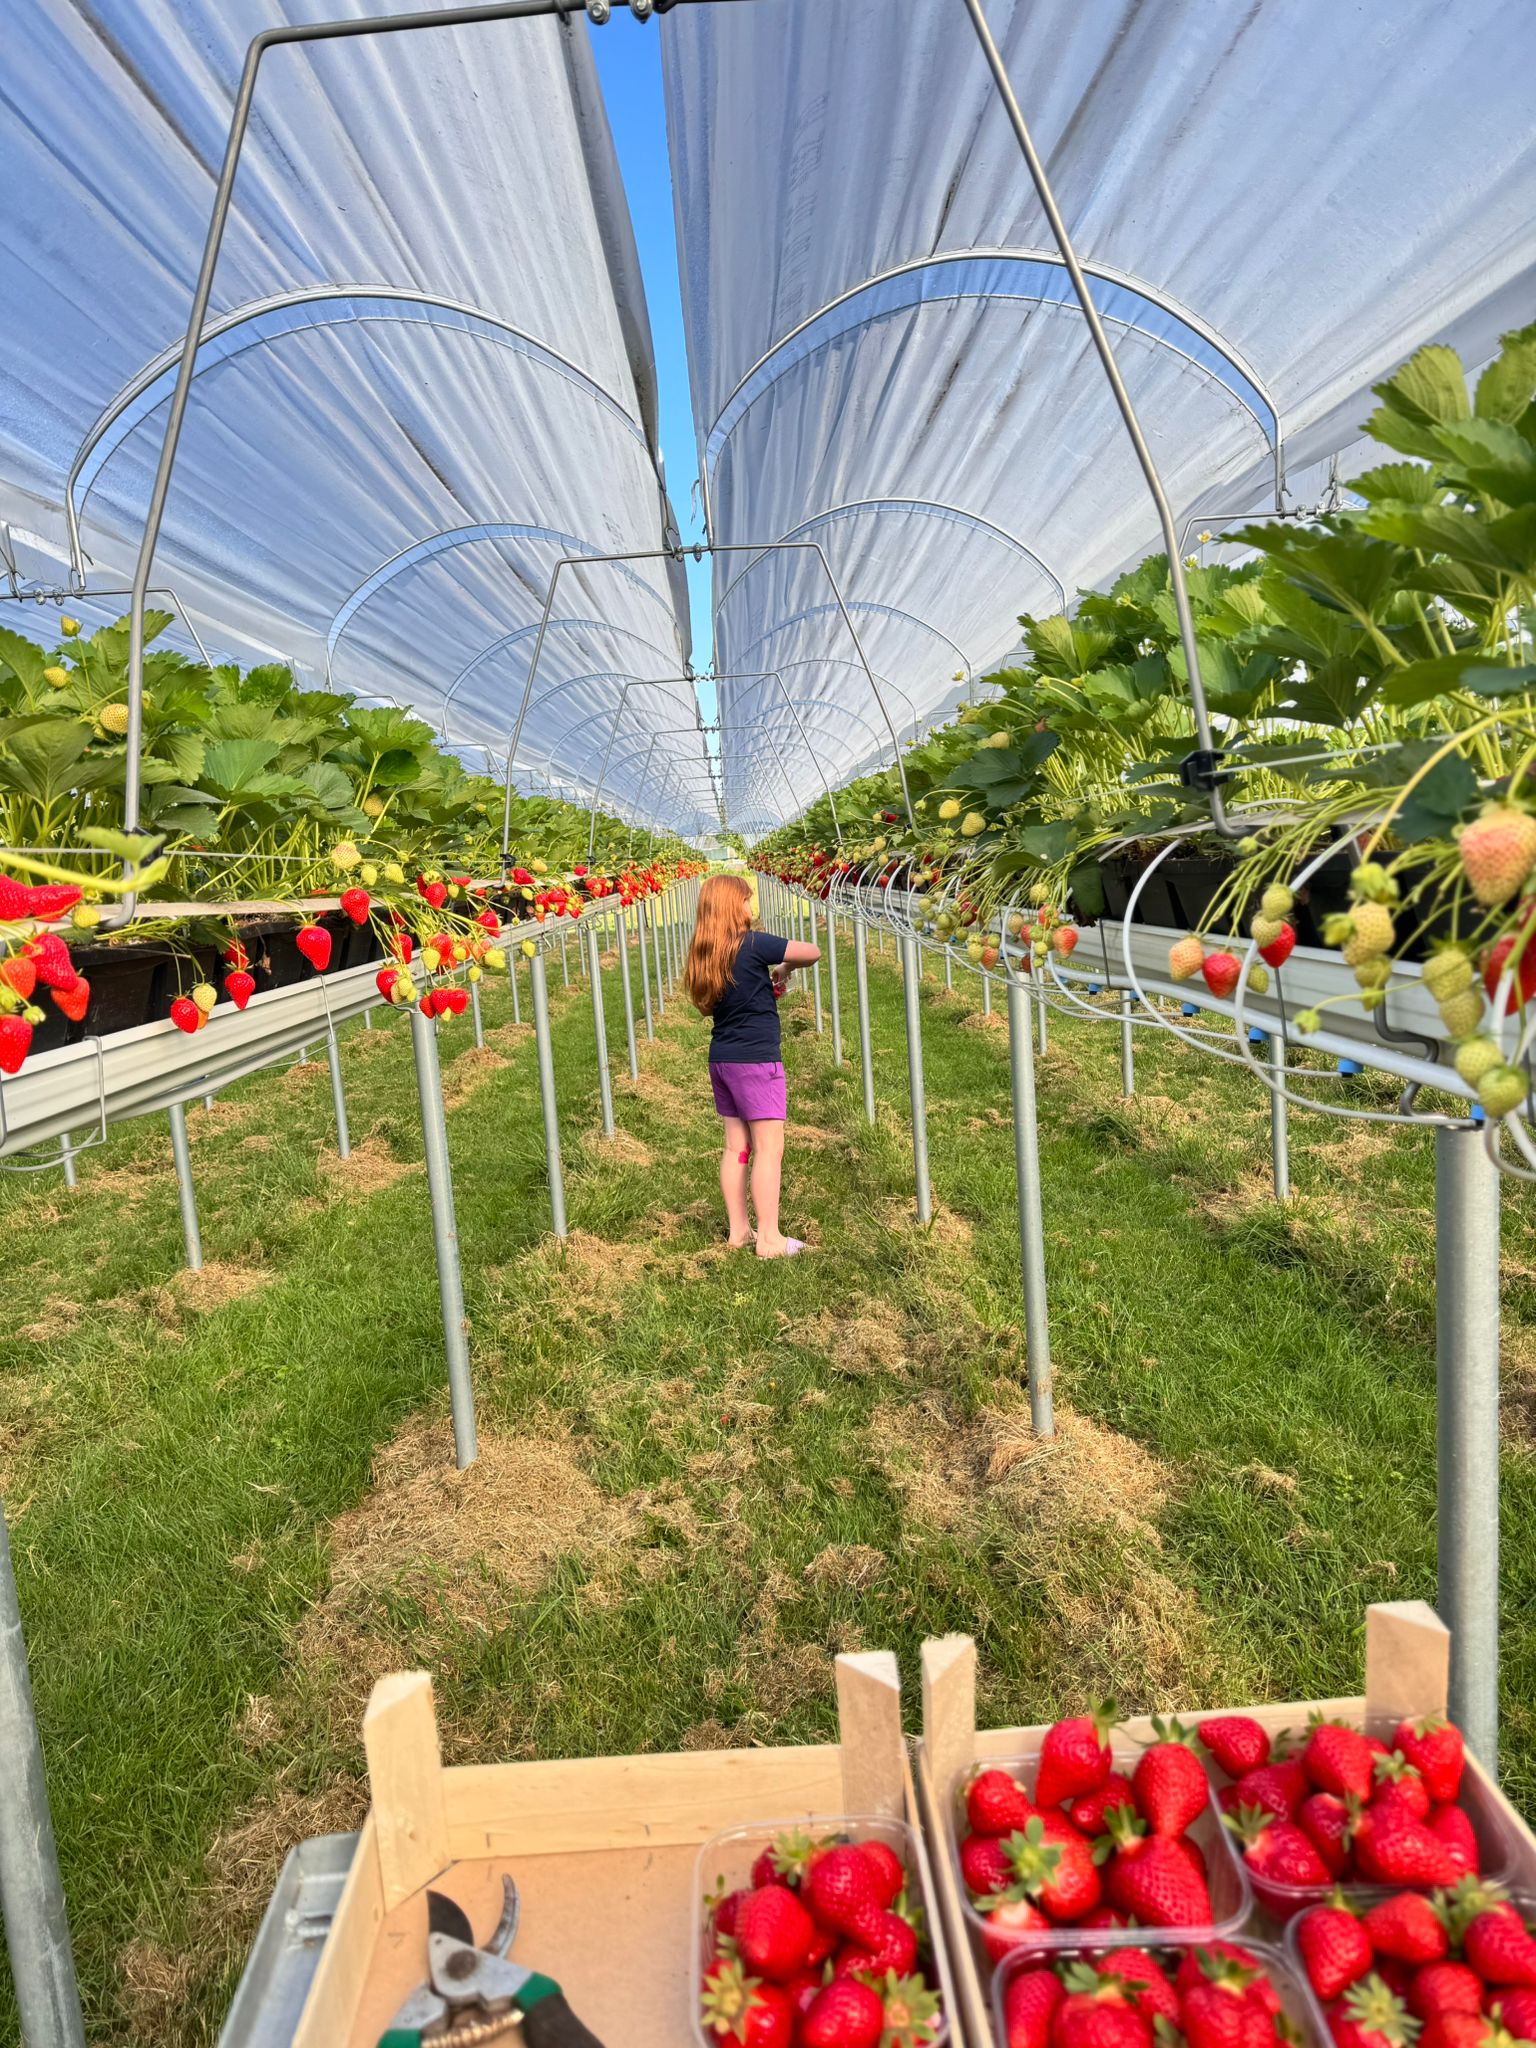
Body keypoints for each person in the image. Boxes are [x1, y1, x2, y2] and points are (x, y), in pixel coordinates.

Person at [684, 873, 820, 1258]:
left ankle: (739, 1231)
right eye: (745, 900)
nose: (749, 906)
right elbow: (811, 951)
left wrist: (772, 980)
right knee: (768, 1147)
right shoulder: (753, 943)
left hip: (722, 1060)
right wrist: (786, 965)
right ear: (733, 906)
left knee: (736, 1147)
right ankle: (770, 1239)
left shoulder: (706, 952)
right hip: (757, 1062)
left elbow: (730, 996)